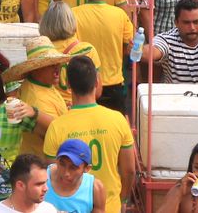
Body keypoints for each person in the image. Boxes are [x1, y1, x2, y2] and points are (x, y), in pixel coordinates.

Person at [41, 58, 133, 213]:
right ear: (97, 81)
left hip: (70, 208)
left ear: (68, 85)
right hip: (111, 206)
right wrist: (123, 200)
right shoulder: (118, 119)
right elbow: (129, 170)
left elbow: (55, 176)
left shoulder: (57, 126)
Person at [69, 0, 133, 115]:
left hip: (83, 84)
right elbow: (129, 48)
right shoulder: (120, 15)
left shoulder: (72, 15)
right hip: (113, 84)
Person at [141, 0, 198, 86]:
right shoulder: (166, 39)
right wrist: (140, 51)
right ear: (176, 23)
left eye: (196, 22)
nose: (192, 27)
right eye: (186, 23)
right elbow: (154, 50)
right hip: (175, 99)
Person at [45, 140, 103, 213]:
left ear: (87, 168)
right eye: (62, 164)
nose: (66, 173)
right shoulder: (41, 179)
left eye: (73, 167)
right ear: (56, 160)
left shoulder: (95, 188)